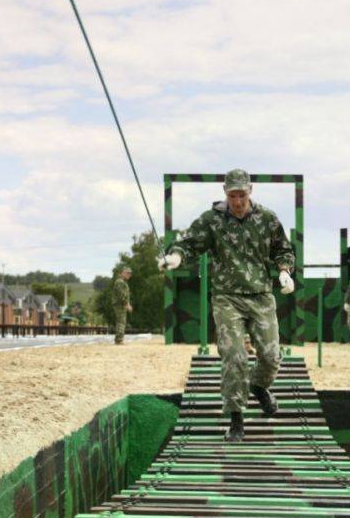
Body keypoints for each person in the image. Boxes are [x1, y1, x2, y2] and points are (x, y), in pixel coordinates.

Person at [160, 169, 294, 442]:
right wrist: (176, 256)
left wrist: (284, 270)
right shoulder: (212, 220)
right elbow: (188, 242)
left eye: (241, 195)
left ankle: (259, 387)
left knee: (271, 356)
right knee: (234, 357)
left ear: (250, 191)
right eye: (232, 195)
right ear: (225, 192)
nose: (237, 201)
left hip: (260, 295)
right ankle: (236, 420)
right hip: (226, 298)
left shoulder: (267, 218)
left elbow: (283, 249)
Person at [113, 266, 132, 344]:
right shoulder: (119, 282)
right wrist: (127, 304)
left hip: (122, 304)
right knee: (121, 321)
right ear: (122, 273)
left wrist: (127, 303)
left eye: (130, 273)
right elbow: (121, 295)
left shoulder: (123, 282)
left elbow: (125, 295)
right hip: (119, 304)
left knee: (121, 321)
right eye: (127, 273)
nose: (129, 275)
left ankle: (119, 339)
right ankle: (119, 339)